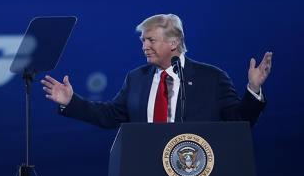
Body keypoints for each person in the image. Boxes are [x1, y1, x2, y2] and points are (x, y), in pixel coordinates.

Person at [42, 14, 272, 128]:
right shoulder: (137, 79)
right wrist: (71, 101)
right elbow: (109, 116)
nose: (144, 46)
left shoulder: (212, 79)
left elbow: (239, 121)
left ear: (173, 43)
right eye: (143, 41)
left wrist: (253, 88)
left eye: (150, 40)